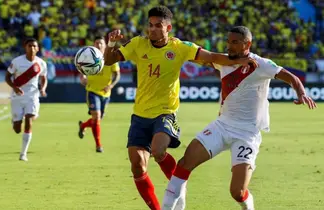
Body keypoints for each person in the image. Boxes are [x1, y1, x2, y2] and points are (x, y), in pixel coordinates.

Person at [104, 6, 258, 210]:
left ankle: (178, 188)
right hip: (140, 115)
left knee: (159, 151)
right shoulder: (137, 44)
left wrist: (240, 60)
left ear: (168, 27)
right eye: (150, 25)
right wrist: (112, 43)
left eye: (158, 26)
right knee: (137, 166)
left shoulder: (179, 47)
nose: (152, 30)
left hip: (165, 112)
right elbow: (108, 60)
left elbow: (211, 56)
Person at [161, 26, 317, 210]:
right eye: (228, 42)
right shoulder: (224, 61)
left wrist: (301, 93)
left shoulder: (261, 64)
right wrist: (177, 44)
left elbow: (291, 77)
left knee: (237, 191)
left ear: (247, 44)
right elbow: (202, 55)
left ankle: (247, 204)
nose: (229, 46)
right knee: (185, 163)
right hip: (222, 126)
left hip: (247, 133)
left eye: (234, 42)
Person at [5, 38, 47, 162]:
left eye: (34, 46)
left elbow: (44, 78)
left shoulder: (41, 63)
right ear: (25, 47)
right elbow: (7, 77)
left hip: (32, 96)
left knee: (29, 119)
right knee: (17, 129)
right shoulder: (17, 62)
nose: (32, 48)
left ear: (38, 48)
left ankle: (23, 153)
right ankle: (16, 121)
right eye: (30, 46)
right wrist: (15, 87)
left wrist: (43, 88)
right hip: (17, 96)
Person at [78, 36, 121, 153]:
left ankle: (83, 126)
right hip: (92, 91)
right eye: (97, 43)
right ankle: (98, 145)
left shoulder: (110, 57)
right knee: (96, 117)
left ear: (105, 45)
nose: (99, 45)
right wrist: (83, 78)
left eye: (101, 43)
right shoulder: (88, 57)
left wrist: (111, 85)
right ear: (94, 44)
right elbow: (82, 71)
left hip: (106, 93)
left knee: (97, 119)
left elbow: (117, 74)